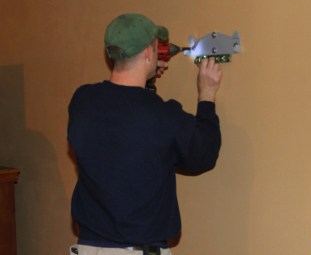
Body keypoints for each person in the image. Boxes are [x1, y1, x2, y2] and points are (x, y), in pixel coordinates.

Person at [68, 13, 222, 255]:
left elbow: (127, 122)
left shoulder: (82, 101)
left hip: (88, 247)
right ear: (149, 53)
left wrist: (147, 77)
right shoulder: (163, 116)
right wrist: (207, 94)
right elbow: (203, 154)